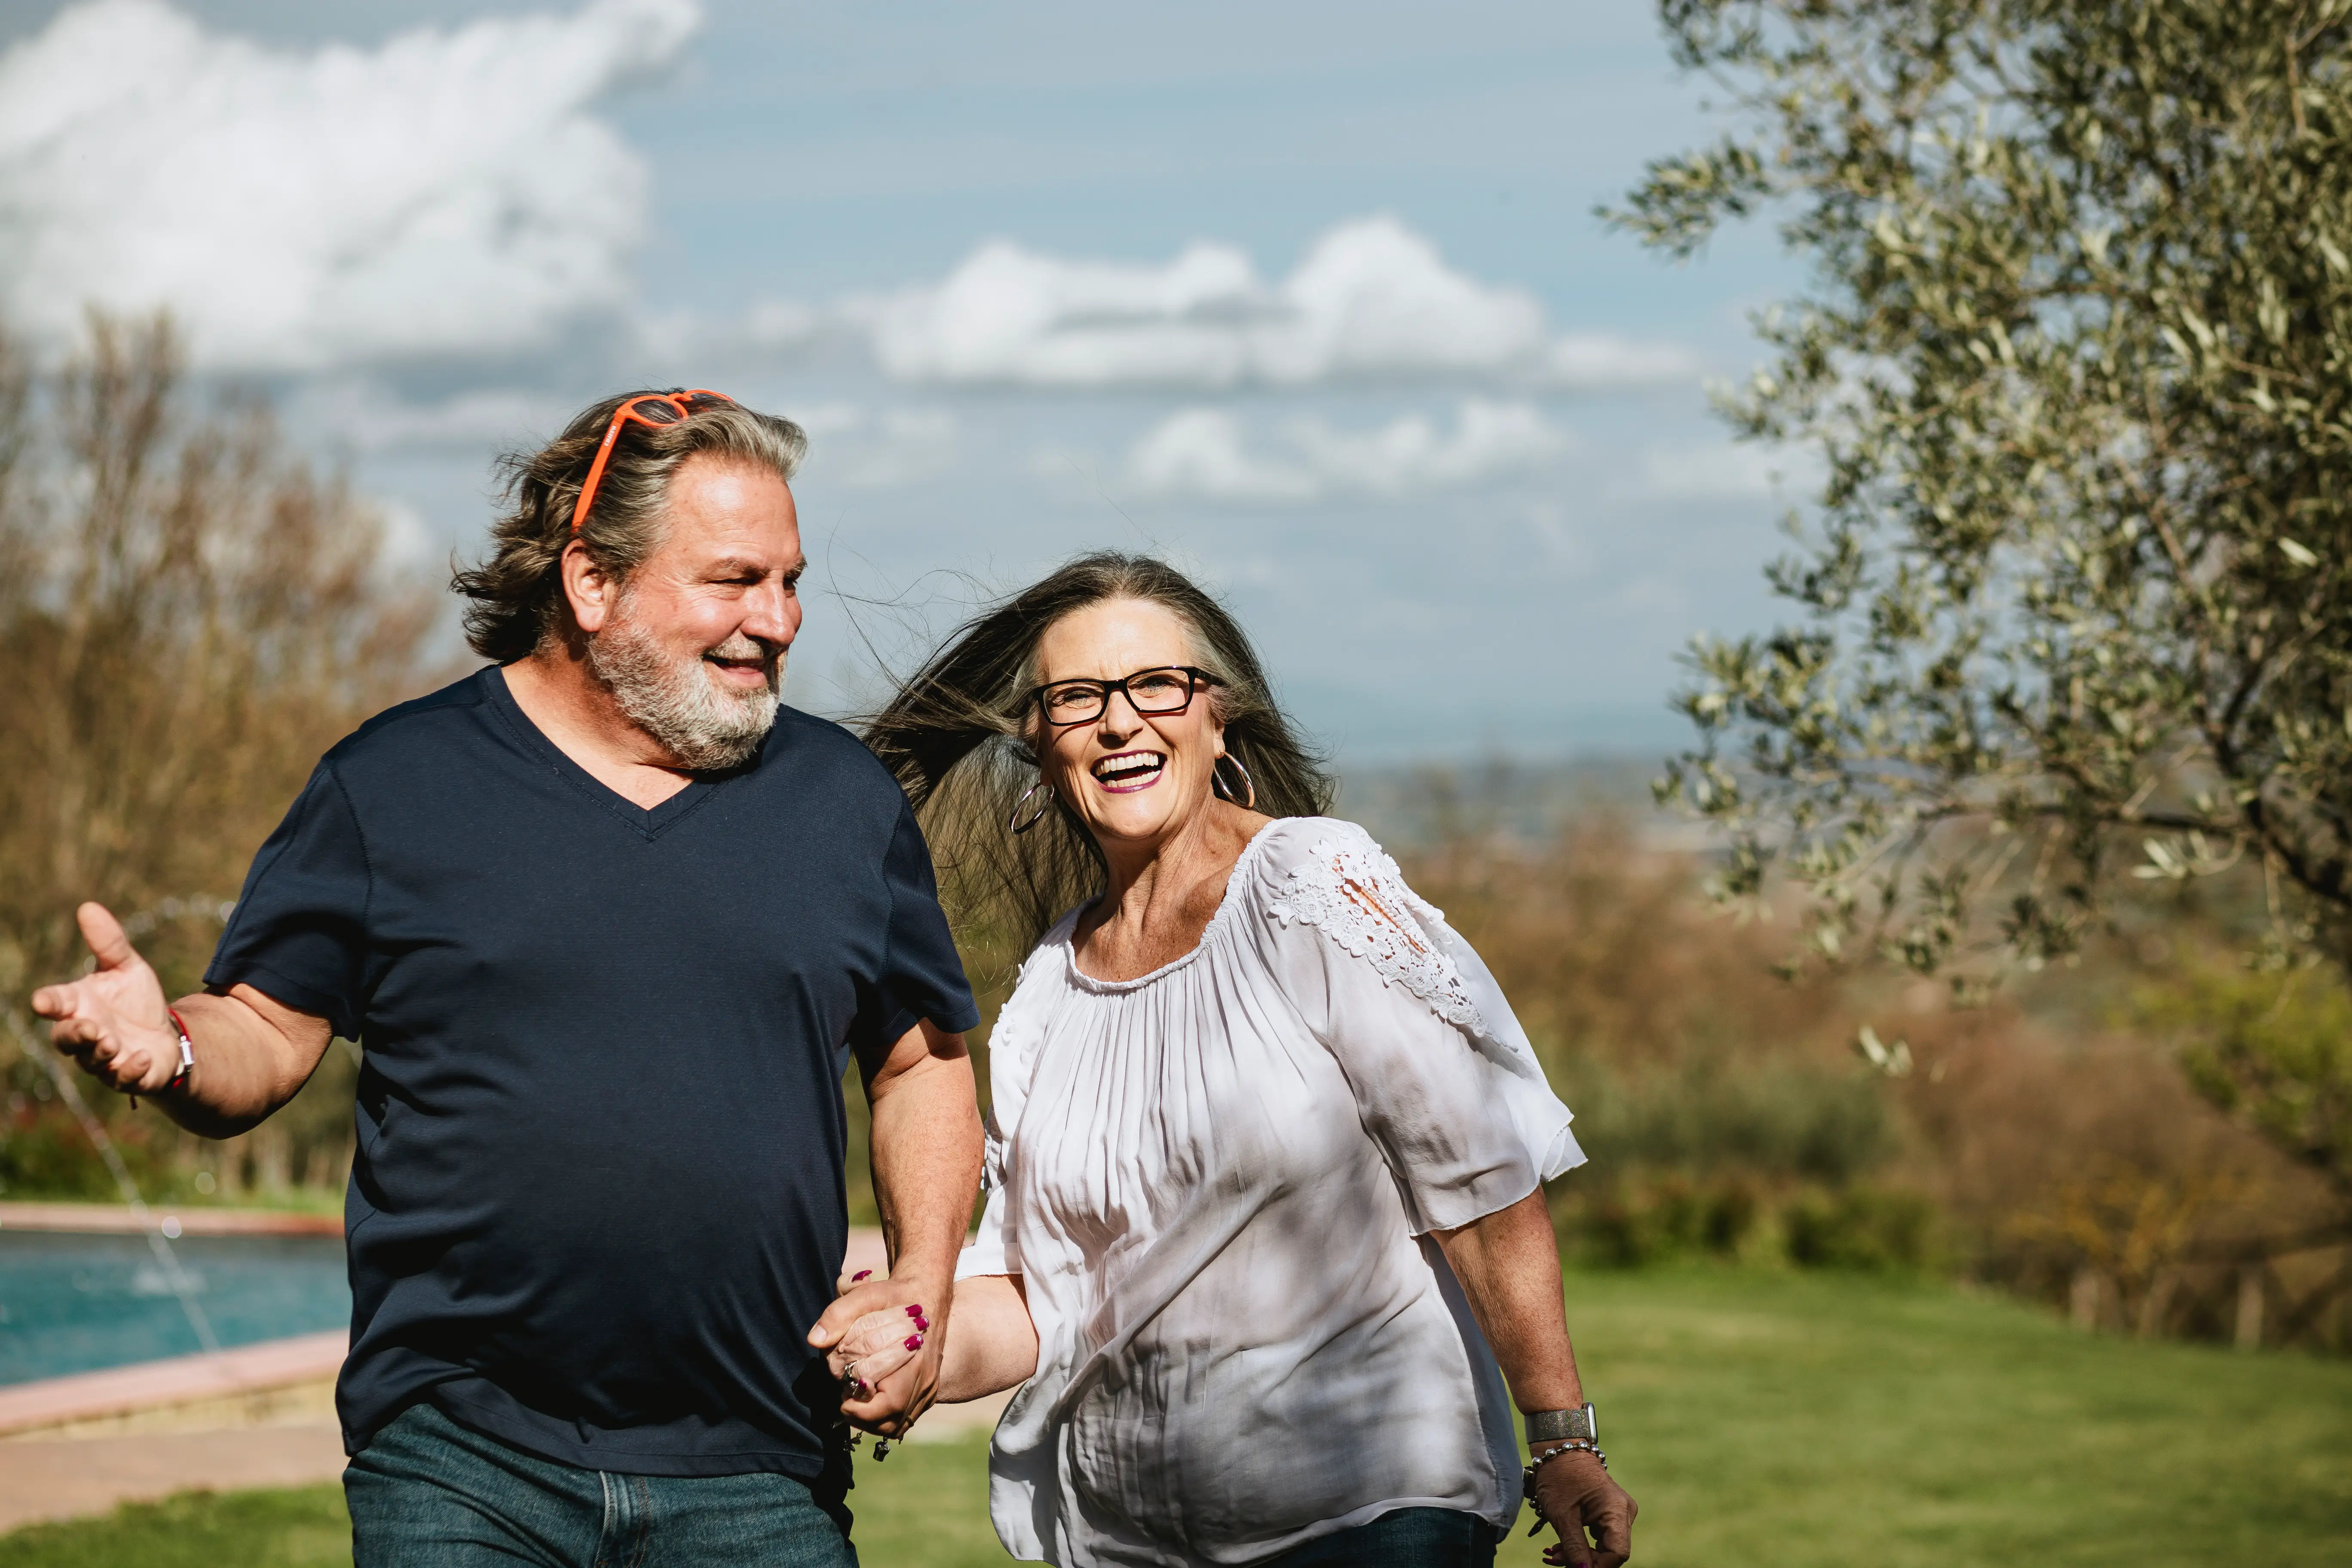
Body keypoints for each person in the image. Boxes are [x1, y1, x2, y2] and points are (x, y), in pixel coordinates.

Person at [31, 389, 983, 1567]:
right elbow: (267, 1033)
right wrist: (169, 1044)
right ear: (591, 582)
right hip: (460, 1455)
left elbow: (923, 1060)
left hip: (760, 1464)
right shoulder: (395, 786)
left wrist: (925, 1281)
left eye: (789, 582)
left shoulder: (844, 805)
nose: (779, 621)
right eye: (735, 580)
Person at [816, 553, 1638, 1567]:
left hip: (1373, 1519)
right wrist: (907, 1342)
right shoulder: (1047, 990)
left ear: (1219, 719)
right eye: (1078, 699)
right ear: (1039, 744)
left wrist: (1559, 1435)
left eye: (1157, 686)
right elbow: (1042, 1298)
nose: (1121, 723)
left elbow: (1481, 1179)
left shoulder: (1311, 888)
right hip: (1131, 1541)